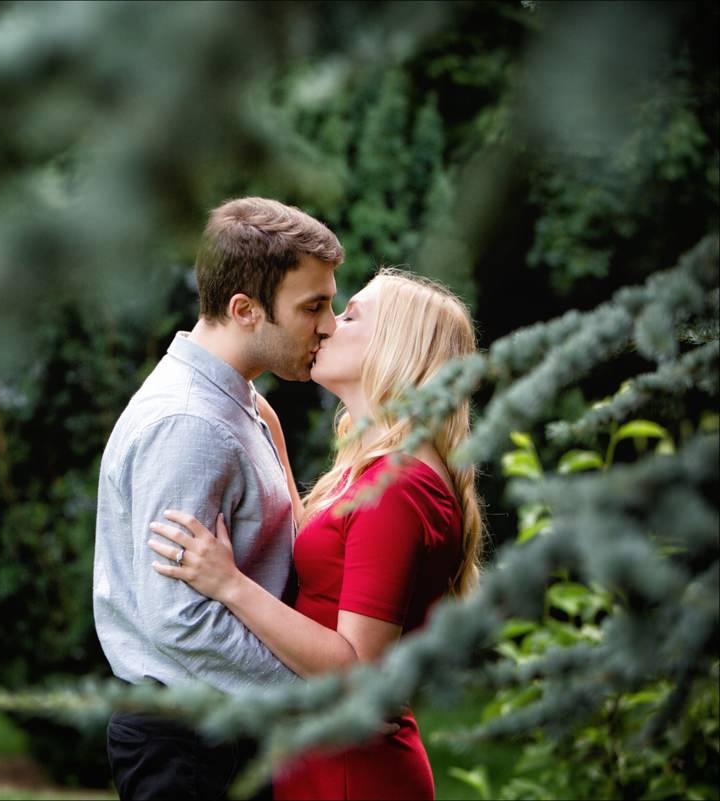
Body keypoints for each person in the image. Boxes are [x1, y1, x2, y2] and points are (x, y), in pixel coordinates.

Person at [147, 267, 485, 801]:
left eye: (350, 316)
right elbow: (332, 575)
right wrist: (275, 445)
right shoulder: (384, 471)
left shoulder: (397, 488)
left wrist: (229, 584)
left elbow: (356, 670)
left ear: (396, 349)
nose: (327, 326)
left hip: (352, 773)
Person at [92, 196, 345, 800]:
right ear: (245, 309)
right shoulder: (190, 424)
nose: (329, 324)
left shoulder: (239, 404)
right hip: (188, 747)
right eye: (314, 306)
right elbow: (180, 621)